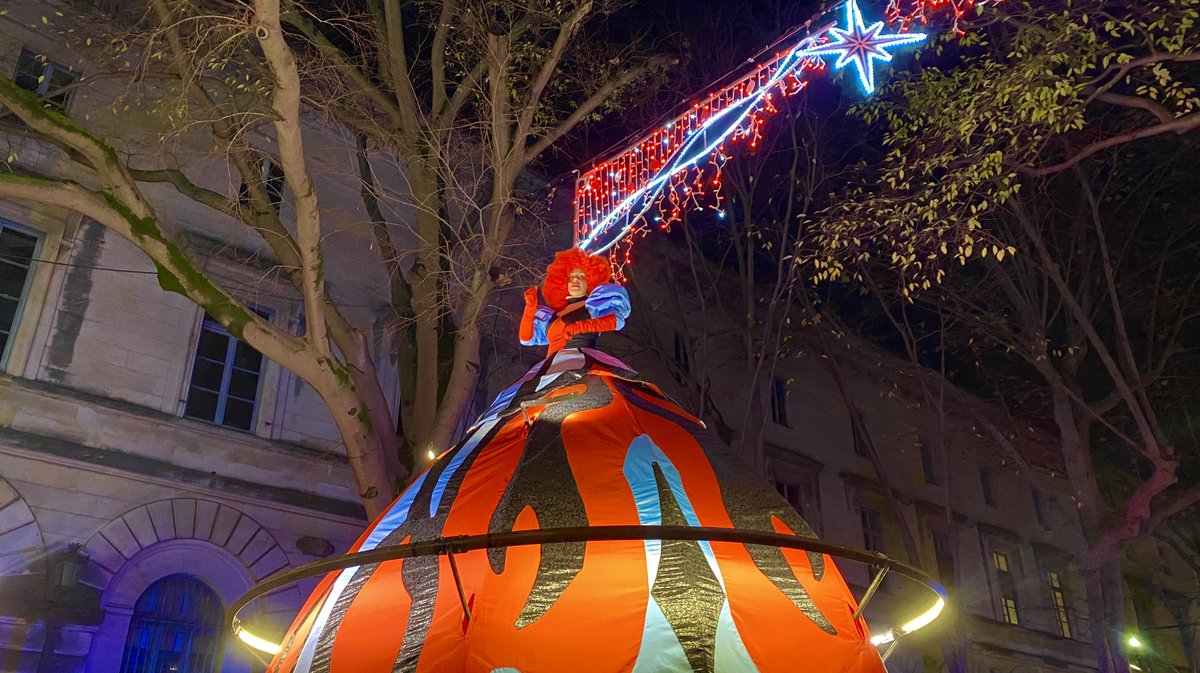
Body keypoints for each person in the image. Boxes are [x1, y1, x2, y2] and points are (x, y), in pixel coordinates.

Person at [518, 247, 631, 356]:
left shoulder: (593, 305)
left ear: (591, 281)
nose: (575, 280)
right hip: (553, 367)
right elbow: (525, 339)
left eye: (581, 276)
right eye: (571, 277)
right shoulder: (552, 316)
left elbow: (617, 321)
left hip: (581, 364)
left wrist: (579, 327)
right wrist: (529, 309)